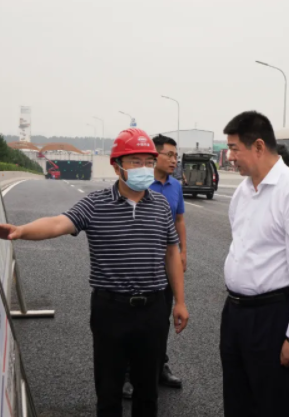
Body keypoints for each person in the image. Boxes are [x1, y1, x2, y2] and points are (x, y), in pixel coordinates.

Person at [0, 128, 189, 417]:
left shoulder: (161, 207)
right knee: (109, 391)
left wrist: (179, 301)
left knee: (147, 394)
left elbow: (171, 252)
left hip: (153, 310)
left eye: (148, 161)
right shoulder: (96, 204)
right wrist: (20, 230)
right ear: (116, 166)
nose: (143, 167)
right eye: (135, 161)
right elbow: (58, 223)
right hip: (111, 310)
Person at [221, 111, 289, 417]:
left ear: (259, 146)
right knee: (238, 402)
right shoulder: (242, 192)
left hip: (272, 318)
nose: (230, 156)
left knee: (276, 405)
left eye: (235, 148)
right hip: (235, 314)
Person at [122, 134, 186, 399]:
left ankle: (159, 366)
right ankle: (127, 373)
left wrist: (182, 252)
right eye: (169, 155)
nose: (174, 160)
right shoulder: (139, 183)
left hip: (166, 265)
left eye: (176, 156)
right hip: (140, 265)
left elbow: (179, 220)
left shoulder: (175, 187)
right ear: (154, 156)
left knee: (160, 320)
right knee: (132, 321)